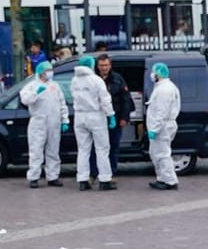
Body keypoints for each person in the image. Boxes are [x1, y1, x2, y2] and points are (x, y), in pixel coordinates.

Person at [69, 55, 116, 191]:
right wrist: (111, 115)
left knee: (83, 150)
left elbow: (73, 96)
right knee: (102, 149)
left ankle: (83, 180)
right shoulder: (96, 80)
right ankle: (105, 180)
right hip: (96, 115)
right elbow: (105, 99)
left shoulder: (74, 80)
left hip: (80, 116)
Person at [19, 60, 66, 188]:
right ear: (40, 72)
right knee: (36, 150)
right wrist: (36, 93)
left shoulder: (55, 86)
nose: (50, 73)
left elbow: (62, 103)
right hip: (38, 122)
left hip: (54, 122)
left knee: (53, 150)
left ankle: (53, 176)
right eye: (47, 71)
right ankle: (34, 177)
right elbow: (25, 100)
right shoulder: (32, 86)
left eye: (51, 70)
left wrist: (65, 119)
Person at [144, 63, 181, 191]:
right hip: (163, 126)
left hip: (162, 127)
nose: (152, 74)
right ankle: (162, 178)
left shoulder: (164, 90)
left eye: (154, 72)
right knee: (156, 154)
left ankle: (170, 181)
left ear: (158, 73)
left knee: (163, 155)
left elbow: (161, 112)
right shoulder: (163, 87)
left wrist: (154, 129)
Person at [98, 53, 132, 163]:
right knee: (99, 147)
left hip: (116, 117)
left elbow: (126, 99)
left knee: (114, 145)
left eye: (106, 65)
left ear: (110, 65)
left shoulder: (117, 79)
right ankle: (96, 172)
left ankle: (112, 170)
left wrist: (124, 117)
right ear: (97, 66)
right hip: (98, 118)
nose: (104, 68)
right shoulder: (94, 79)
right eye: (102, 65)